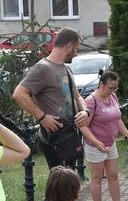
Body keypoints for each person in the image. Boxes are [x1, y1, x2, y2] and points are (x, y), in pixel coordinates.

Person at [12, 28, 91, 169]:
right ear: (69, 46)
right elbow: (19, 93)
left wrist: (85, 111)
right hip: (54, 139)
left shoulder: (67, 69)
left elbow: (78, 97)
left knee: (70, 184)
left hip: (70, 137)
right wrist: (41, 117)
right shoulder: (43, 68)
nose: (76, 53)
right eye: (76, 48)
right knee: (59, 185)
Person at [79, 71, 128, 201]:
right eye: (110, 87)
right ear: (101, 84)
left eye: (115, 88)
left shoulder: (113, 96)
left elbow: (117, 118)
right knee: (97, 178)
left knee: (113, 175)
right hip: (95, 145)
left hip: (110, 143)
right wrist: (96, 143)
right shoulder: (91, 101)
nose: (113, 91)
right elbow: (83, 126)